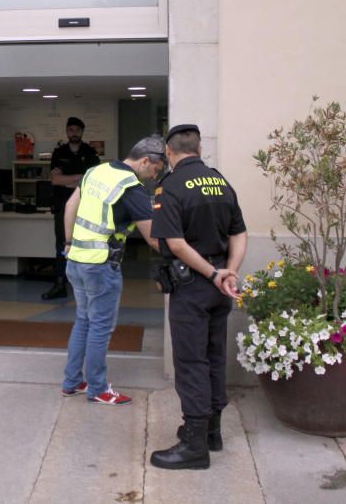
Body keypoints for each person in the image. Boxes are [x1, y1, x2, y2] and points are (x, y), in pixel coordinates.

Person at [149, 124, 247, 471]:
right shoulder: (221, 182)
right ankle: (212, 433)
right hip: (221, 289)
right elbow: (239, 232)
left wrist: (212, 273)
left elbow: (174, 244)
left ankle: (193, 446)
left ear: (170, 153)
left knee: (191, 363)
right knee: (214, 356)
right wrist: (229, 272)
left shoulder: (171, 186)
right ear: (200, 149)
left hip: (193, 287)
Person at [60, 135, 166, 405]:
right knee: (100, 328)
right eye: (156, 169)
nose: (155, 176)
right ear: (145, 160)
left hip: (76, 259)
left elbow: (70, 206)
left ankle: (72, 382)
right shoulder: (132, 186)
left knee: (83, 320)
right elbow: (153, 238)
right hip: (101, 266)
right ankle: (97, 388)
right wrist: (185, 256)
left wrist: (69, 243)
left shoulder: (96, 170)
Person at [43, 116, 101, 300]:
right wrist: (78, 178)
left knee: (85, 245)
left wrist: (68, 180)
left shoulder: (90, 152)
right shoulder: (59, 152)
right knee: (62, 244)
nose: (74, 133)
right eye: (71, 130)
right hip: (62, 206)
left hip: (85, 206)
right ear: (67, 131)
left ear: (82, 132)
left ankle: (86, 287)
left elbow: (92, 179)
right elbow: (55, 179)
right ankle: (59, 284)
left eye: (77, 130)